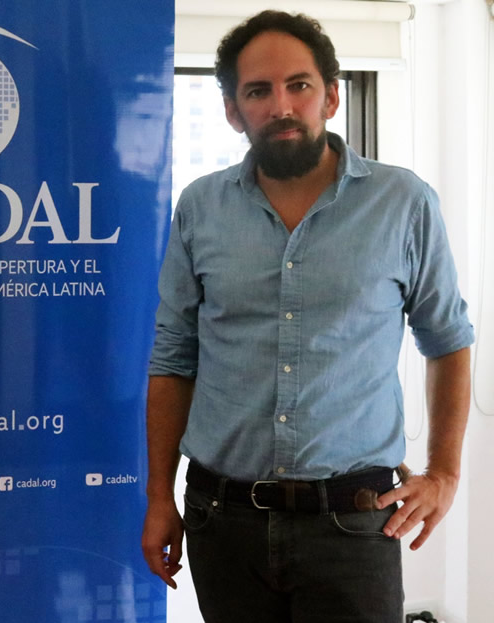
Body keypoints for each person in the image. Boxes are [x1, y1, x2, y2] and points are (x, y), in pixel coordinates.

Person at [141, 11, 473, 622]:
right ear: (233, 111)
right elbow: (173, 356)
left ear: (332, 97)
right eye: (257, 91)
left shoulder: (402, 202)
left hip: (355, 524)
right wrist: (160, 494)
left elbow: (448, 339)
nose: (281, 106)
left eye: (299, 85)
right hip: (224, 522)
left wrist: (445, 473)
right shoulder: (200, 207)